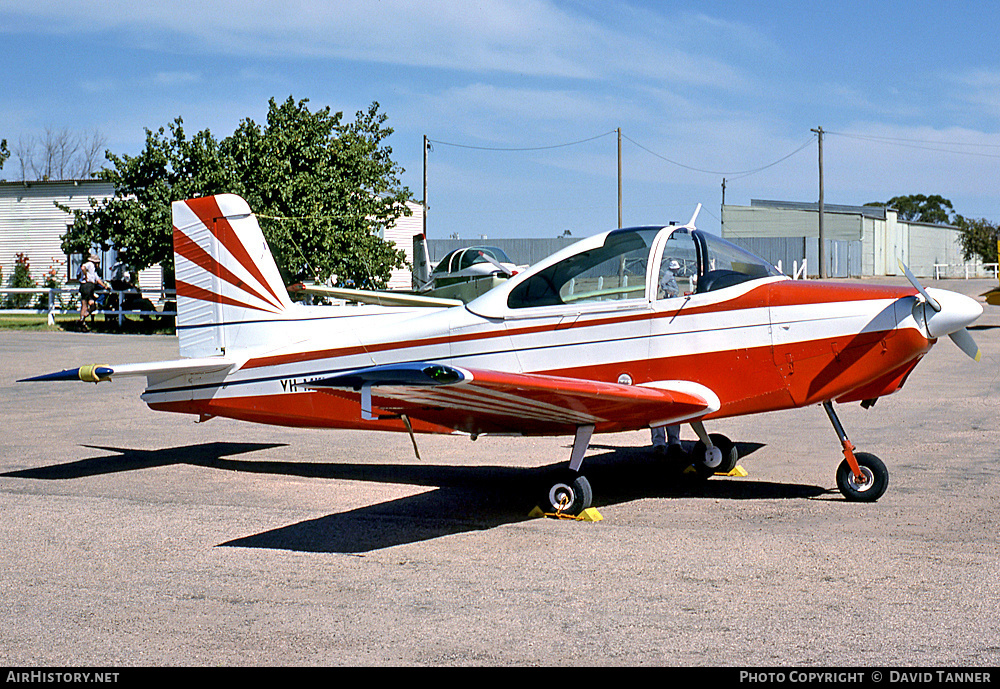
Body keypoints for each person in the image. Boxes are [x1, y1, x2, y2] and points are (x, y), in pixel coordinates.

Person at [78, 253, 109, 331]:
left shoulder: (93, 270)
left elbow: (97, 279)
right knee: (84, 304)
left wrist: (105, 286)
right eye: (98, 262)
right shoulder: (90, 264)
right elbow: (83, 267)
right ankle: (81, 321)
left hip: (90, 287)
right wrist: (85, 276)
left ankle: (82, 320)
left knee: (93, 305)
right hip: (87, 286)